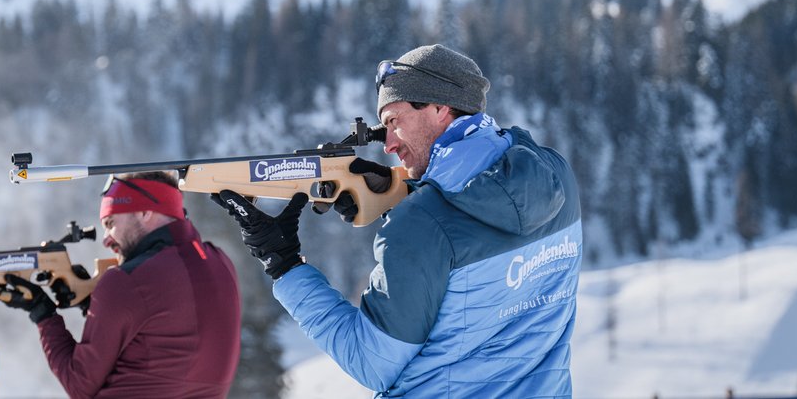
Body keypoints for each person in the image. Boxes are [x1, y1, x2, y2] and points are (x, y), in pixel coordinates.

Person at [213, 44, 583, 398]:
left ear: (440, 107)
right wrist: (410, 195)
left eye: (394, 121)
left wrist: (284, 264)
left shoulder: (420, 225)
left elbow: (371, 362)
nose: (388, 144)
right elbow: (474, 227)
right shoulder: (555, 175)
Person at [0, 171, 241, 398]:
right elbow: (158, 336)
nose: (106, 240)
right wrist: (88, 305)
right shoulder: (219, 261)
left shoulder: (126, 281)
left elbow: (78, 384)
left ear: (145, 211)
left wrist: (42, 312)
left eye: (111, 223)